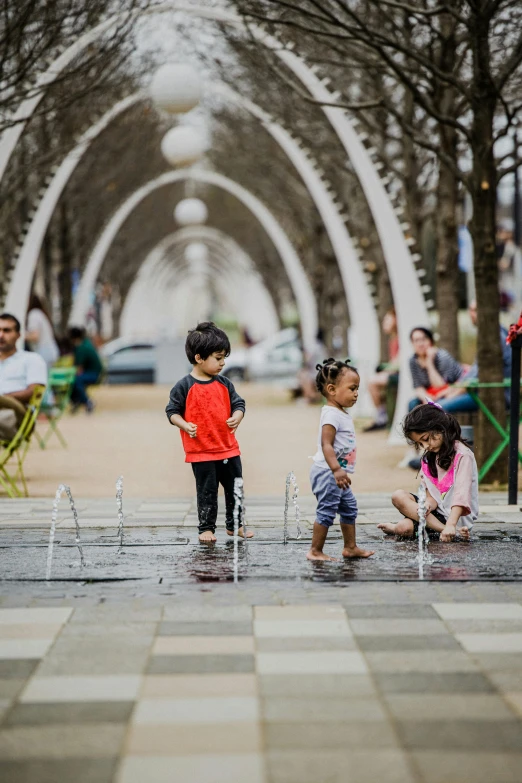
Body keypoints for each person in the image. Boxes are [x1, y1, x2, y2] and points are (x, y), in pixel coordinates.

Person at [165, 321, 254, 543]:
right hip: (202, 452)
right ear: (199, 358)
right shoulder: (184, 386)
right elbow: (172, 411)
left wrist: (238, 417)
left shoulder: (224, 383)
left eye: (224, 357)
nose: (223, 363)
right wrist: (184, 425)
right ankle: (206, 528)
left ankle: (236, 525)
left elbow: (239, 404)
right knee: (207, 492)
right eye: (218, 357)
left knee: (236, 488)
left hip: (228, 448)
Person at [378, 402, 477, 542]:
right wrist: (427, 505)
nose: (425, 446)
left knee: (403, 528)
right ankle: (445, 531)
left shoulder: (463, 456)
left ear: (440, 428)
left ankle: (450, 530)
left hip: (456, 517)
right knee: (398, 496)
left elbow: (461, 495)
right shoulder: (429, 459)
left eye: (425, 439)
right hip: (437, 517)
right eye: (420, 443)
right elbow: (431, 496)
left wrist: (451, 524)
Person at [307, 358, 374, 561]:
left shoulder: (340, 413)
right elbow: (327, 444)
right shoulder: (331, 415)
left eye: (357, 389)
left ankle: (350, 547)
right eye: (352, 388)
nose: (356, 393)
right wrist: (336, 469)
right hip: (329, 473)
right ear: (332, 389)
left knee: (349, 508)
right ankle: (315, 551)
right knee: (327, 512)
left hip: (336, 473)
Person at [436, 301, 512, 413]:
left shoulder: (494, 337)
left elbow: (476, 377)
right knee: (433, 404)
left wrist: (453, 394)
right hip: (478, 391)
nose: (471, 314)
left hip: (493, 394)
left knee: (437, 409)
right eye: (470, 310)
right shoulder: (487, 334)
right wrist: (450, 390)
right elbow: (473, 373)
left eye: (476, 310)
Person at [0, 313, 47, 441]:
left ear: (18, 335)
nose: (1, 335)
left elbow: (35, 393)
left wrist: (4, 398)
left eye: (7, 330)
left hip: (17, 413)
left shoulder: (32, 360)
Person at [408, 327, 464, 410]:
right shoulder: (413, 360)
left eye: (423, 339)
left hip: (454, 390)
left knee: (435, 406)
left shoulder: (442, 356)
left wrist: (429, 363)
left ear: (430, 341)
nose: (420, 344)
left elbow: (440, 385)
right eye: (416, 340)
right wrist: (425, 397)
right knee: (413, 404)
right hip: (432, 394)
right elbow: (418, 387)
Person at [363, 308, 400, 431]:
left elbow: (398, 362)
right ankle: (383, 413)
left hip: (400, 375)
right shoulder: (393, 339)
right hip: (394, 373)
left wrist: (386, 369)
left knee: (372, 382)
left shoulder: (400, 338)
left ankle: (382, 416)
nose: (385, 323)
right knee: (374, 382)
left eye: (388, 319)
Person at [68, 327, 103, 413]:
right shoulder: (86, 343)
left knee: (75, 380)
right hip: (95, 372)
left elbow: (78, 369)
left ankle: (87, 402)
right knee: (74, 380)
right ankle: (77, 401)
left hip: (93, 374)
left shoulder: (81, 348)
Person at [25, 294, 59, 369]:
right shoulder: (40, 313)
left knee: (41, 379)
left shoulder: (34, 314)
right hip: (50, 350)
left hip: (43, 352)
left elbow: (35, 336)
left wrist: (20, 335)